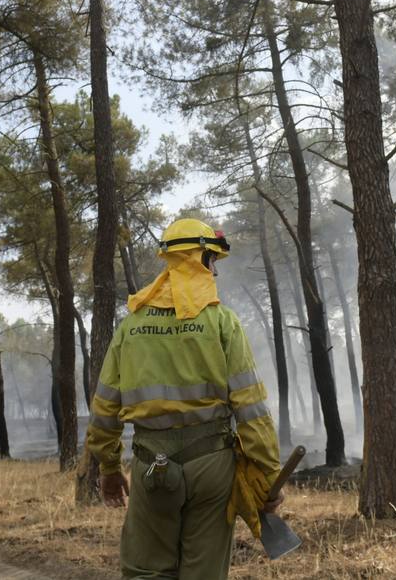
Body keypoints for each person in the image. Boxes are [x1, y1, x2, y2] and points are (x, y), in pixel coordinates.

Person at [86, 218, 283, 580]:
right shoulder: (222, 322)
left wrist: (109, 468)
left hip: (150, 465)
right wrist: (268, 474)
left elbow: (104, 409)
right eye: (212, 261)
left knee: (146, 572)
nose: (214, 271)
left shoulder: (130, 327)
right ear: (201, 258)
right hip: (212, 467)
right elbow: (251, 409)